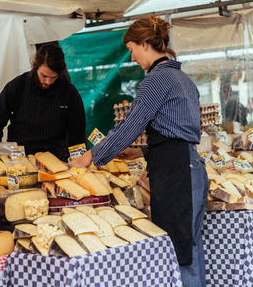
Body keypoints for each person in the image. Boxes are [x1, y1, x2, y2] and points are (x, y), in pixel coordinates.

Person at [75, 16, 208, 287]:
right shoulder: (182, 78)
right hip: (190, 168)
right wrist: (144, 152)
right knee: (190, 252)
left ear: (145, 44)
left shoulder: (155, 80)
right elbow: (181, 133)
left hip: (176, 175)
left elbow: (129, 128)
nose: (132, 58)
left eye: (132, 49)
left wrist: (89, 157)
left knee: (178, 255)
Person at [0, 43, 86, 161]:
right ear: (35, 65)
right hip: (18, 158)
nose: (48, 81)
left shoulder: (70, 93)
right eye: (43, 75)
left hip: (51, 158)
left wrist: (79, 163)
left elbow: (77, 135)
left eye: (53, 77)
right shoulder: (16, 87)